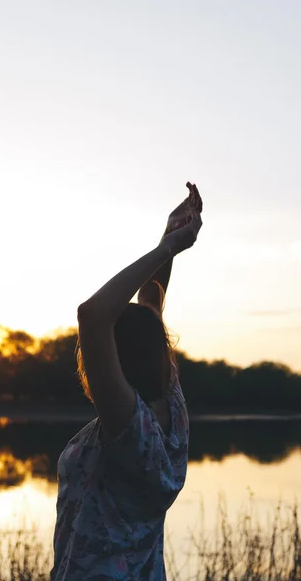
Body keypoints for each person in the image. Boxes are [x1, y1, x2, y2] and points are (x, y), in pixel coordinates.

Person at [50, 183, 203, 580]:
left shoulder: (128, 425)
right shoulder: (173, 410)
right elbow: (150, 303)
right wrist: (168, 239)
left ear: (115, 357)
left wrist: (167, 249)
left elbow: (92, 314)